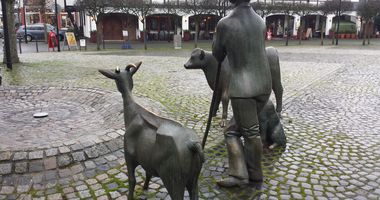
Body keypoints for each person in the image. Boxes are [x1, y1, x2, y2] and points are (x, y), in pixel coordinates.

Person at [212, 0, 272, 187]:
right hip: (264, 84)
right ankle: (251, 172)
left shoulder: (225, 23)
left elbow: (217, 54)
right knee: (244, 129)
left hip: (243, 89)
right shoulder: (260, 21)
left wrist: (218, 37)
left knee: (237, 132)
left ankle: (244, 175)